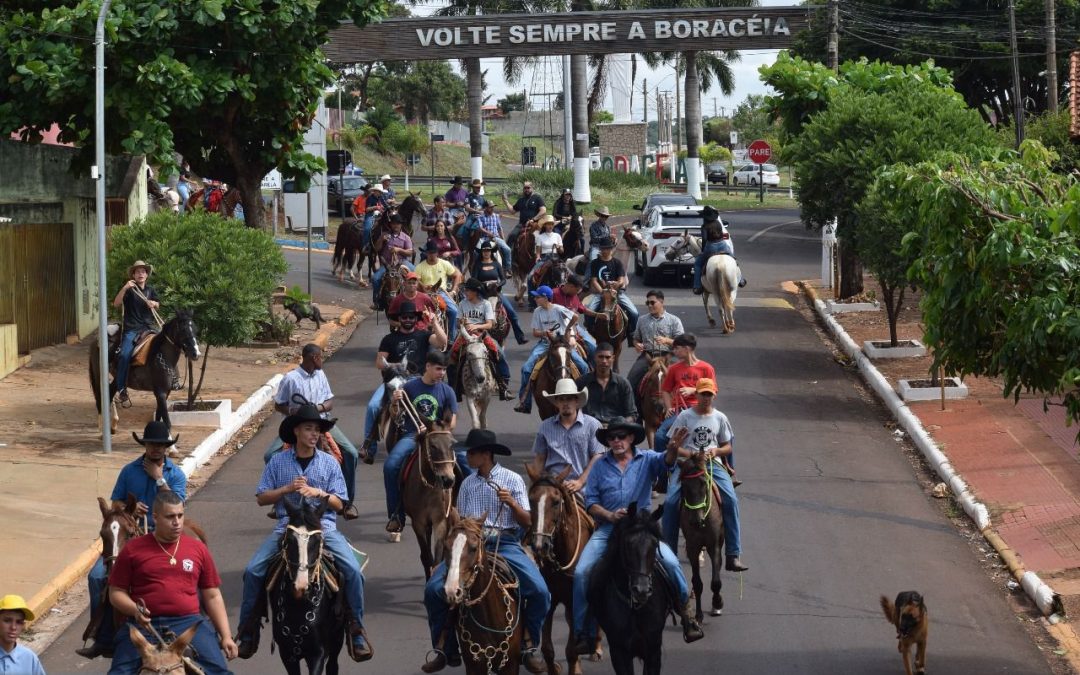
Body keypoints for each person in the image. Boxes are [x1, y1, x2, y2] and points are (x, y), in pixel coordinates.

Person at [236, 405, 373, 662]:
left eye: (317, 430)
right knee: (252, 571)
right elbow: (262, 498)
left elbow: (341, 504)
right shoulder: (278, 462)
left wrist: (319, 493)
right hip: (287, 528)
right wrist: (286, 489)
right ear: (296, 431)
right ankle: (248, 630)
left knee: (354, 572)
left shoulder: (329, 463)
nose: (314, 434)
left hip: (323, 529)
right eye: (309, 429)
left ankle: (355, 629)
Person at [421, 430, 549, 674]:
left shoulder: (512, 479)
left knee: (540, 591)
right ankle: (445, 648)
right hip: (470, 546)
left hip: (505, 543)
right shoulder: (467, 484)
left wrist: (512, 503)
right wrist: (448, 559)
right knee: (432, 591)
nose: (466, 457)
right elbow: (460, 525)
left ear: (486, 455)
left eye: (471, 453)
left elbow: (528, 522)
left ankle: (530, 644)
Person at [571, 418, 703, 654]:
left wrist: (673, 449)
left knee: (671, 563)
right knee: (582, 572)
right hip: (609, 529)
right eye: (611, 438)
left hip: (642, 528)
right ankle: (583, 632)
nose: (616, 441)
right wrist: (610, 515)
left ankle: (687, 615)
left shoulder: (647, 458)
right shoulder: (599, 465)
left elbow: (666, 462)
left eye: (621, 436)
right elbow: (591, 502)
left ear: (631, 438)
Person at [79, 421, 187, 660]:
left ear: (167, 447)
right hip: (129, 535)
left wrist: (159, 479)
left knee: (186, 571)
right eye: (152, 444)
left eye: (161, 445)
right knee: (97, 577)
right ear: (145, 445)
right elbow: (115, 502)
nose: (156, 448)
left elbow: (177, 505)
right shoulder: (128, 471)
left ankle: (191, 630)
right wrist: (129, 508)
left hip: (163, 536)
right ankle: (102, 637)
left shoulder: (176, 474)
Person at [108, 491, 237, 675]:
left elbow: (212, 595)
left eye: (180, 515)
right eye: (170, 517)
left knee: (220, 672)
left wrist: (226, 636)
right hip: (144, 626)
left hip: (189, 623)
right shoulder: (132, 549)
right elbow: (116, 592)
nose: (177, 522)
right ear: (155, 517)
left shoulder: (198, 549)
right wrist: (135, 610)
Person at [263, 343, 360, 519]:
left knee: (351, 453)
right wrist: (292, 411)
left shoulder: (321, 375)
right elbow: (279, 404)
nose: (322, 360)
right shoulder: (290, 378)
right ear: (313, 358)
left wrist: (317, 408)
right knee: (270, 455)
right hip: (298, 424)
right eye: (320, 357)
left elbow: (330, 402)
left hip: (321, 422)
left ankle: (346, 504)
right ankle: (278, 503)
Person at [662, 378, 748, 572]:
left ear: (713, 396)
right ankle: (668, 554)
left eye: (709, 394)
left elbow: (727, 447)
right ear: (697, 395)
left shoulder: (720, 418)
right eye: (703, 394)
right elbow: (672, 445)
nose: (706, 398)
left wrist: (716, 451)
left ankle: (733, 554)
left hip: (712, 464)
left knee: (731, 499)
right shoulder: (685, 416)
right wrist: (690, 454)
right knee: (670, 502)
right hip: (688, 464)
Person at [384, 351, 467, 534]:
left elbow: (452, 423)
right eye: (438, 369)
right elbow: (396, 416)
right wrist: (394, 403)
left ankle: (467, 512)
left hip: (440, 436)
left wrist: (436, 429)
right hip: (412, 435)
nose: (442, 373)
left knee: (467, 464)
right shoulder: (409, 388)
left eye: (444, 370)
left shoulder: (447, 391)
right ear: (427, 366)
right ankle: (396, 515)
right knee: (390, 466)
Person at [360, 301, 448, 463]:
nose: (408, 320)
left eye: (411, 317)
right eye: (405, 317)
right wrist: (396, 366)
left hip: (418, 379)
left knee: (437, 403)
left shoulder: (424, 335)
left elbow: (442, 342)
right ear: (399, 319)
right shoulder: (389, 339)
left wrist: (435, 322)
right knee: (373, 406)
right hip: (393, 380)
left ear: (416, 319)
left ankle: (441, 440)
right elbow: (379, 362)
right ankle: (368, 447)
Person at [515, 286, 589, 415]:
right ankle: (524, 401)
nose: (535, 299)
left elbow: (575, 317)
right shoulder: (537, 311)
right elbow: (535, 333)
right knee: (526, 369)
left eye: (537, 297)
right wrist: (544, 333)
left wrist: (567, 329)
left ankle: (587, 401)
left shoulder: (558, 309)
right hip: (545, 344)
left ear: (545, 298)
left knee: (583, 366)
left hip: (562, 344)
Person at [531, 378, 605, 492]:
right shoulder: (545, 427)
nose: (565, 403)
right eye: (561, 399)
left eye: (569, 399)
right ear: (557, 403)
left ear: (576, 401)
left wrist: (580, 482)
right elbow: (539, 458)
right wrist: (534, 486)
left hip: (582, 487)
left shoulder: (592, 425)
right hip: (552, 486)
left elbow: (597, 456)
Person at [653, 333, 716, 459]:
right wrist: (669, 407)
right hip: (679, 411)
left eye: (677, 348)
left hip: (700, 409)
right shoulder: (674, 368)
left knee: (726, 436)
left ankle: (728, 467)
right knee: (659, 436)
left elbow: (713, 390)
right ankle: (660, 465)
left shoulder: (706, 368)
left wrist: (694, 390)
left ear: (686, 348)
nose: (674, 351)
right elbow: (665, 390)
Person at [449, 278, 513, 400]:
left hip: (481, 334)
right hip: (465, 334)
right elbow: (457, 323)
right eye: (465, 290)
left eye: (468, 290)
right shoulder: (462, 304)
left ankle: (503, 385)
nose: (465, 292)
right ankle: (453, 388)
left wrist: (476, 326)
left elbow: (490, 324)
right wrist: (463, 323)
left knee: (499, 353)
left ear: (475, 292)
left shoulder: (486, 304)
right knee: (451, 356)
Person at [112, 260, 161, 406]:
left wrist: (154, 304)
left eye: (143, 271)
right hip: (132, 329)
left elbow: (158, 303)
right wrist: (125, 287)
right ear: (133, 275)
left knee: (166, 346)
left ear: (146, 275)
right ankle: (121, 389)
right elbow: (116, 303)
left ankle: (171, 379)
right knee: (124, 355)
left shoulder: (150, 290)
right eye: (138, 272)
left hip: (149, 328)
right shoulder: (129, 291)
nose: (141, 274)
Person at [627, 290, 684, 395]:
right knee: (630, 381)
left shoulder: (674, 320)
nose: (649, 305)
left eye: (652, 302)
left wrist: (667, 340)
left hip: (668, 357)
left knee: (683, 381)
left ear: (661, 302)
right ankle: (632, 405)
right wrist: (637, 344)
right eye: (647, 303)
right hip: (647, 357)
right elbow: (636, 338)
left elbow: (682, 342)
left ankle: (685, 404)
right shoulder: (642, 320)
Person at [471, 240, 527, 344]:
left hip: (495, 292)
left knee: (512, 313)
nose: (486, 252)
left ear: (491, 251)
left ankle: (520, 337)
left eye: (488, 250)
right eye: (484, 251)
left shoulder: (496, 264)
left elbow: (503, 279)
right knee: (474, 315)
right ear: (481, 252)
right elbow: (474, 280)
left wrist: (497, 285)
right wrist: (484, 285)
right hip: (483, 293)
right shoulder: (477, 265)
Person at [586, 238, 639, 347]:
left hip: (617, 293)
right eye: (603, 249)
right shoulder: (595, 263)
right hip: (601, 293)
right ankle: (591, 331)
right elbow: (594, 280)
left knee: (634, 313)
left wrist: (617, 285)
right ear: (600, 249)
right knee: (589, 311)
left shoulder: (617, 263)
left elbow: (621, 279)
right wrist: (603, 292)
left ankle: (631, 334)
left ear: (611, 249)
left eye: (608, 248)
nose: (605, 251)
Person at [576, 343, 637, 425]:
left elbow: (632, 414)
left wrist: (621, 424)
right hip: (589, 428)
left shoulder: (623, 384)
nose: (604, 361)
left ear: (613, 358)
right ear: (595, 358)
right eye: (600, 357)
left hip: (616, 429)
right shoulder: (581, 382)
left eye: (607, 357)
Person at [415, 241, 462, 343]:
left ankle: (451, 338)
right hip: (425, 294)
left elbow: (457, 275)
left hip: (440, 292)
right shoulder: (419, 267)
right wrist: (422, 286)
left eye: (433, 252)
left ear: (437, 253)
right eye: (429, 253)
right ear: (426, 253)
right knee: (415, 312)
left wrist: (453, 291)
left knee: (454, 311)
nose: (431, 255)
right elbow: (416, 282)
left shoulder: (444, 264)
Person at [692, 205, 745, 293]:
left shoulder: (704, 226)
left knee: (698, 264)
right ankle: (741, 279)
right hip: (722, 244)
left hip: (711, 246)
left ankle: (697, 286)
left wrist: (703, 251)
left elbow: (704, 240)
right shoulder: (718, 223)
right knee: (734, 259)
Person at [371, 214, 414, 308]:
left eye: (398, 224)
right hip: (387, 264)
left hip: (402, 262)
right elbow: (376, 249)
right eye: (394, 223)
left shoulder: (406, 237)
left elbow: (410, 252)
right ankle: (377, 301)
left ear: (401, 225)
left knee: (415, 275)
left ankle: (415, 299)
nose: (396, 225)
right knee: (375, 278)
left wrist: (399, 250)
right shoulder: (385, 235)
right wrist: (381, 240)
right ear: (391, 225)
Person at [551, 276, 597, 361]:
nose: (577, 293)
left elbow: (582, 309)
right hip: (557, 328)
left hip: (574, 327)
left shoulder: (574, 295)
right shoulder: (553, 294)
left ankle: (593, 368)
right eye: (577, 290)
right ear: (571, 286)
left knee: (593, 347)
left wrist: (598, 315)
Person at [0, 595, 46, 675]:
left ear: (23, 626)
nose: (13, 627)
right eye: (7, 621)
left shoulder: (29, 658)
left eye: (19, 622)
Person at [501, 181, 546, 255]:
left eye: (528, 188)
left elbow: (543, 211)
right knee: (512, 236)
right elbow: (512, 211)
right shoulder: (521, 200)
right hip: (522, 224)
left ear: (532, 188)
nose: (526, 190)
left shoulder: (537, 198)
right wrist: (506, 201)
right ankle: (508, 256)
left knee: (543, 236)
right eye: (525, 188)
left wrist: (533, 219)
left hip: (535, 224)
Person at [527, 214, 563, 300]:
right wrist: (537, 257)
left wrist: (558, 247)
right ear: (545, 225)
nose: (550, 226)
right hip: (544, 258)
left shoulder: (557, 236)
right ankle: (532, 300)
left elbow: (562, 251)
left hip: (556, 258)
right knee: (530, 277)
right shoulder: (540, 237)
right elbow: (538, 251)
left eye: (552, 224)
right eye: (548, 224)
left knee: (569, 275)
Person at [474, 200, 512, 272]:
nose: (492, 208)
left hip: (495, 237)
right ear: (485, 208)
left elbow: (499, 228)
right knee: (475, 253)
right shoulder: (481, 217)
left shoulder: (496, 216)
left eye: (493, 207)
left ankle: (508, 269)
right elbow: (480, 228)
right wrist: (488, 233)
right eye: (490, 207)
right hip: (484, 238)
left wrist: (503, 239)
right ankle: (475, 270)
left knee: (507, 249)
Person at [360, 183, 389, 249]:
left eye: (381, 192)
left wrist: (388, 208)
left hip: (380, 216)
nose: (380, 193)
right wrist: (375, 207)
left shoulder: (381, 198)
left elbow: (386, 206)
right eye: (379, 191)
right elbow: (367, 209)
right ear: (375, 191)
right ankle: (365, 245)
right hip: (370, 216)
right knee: (367, 228)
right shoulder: (370, 198)